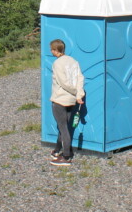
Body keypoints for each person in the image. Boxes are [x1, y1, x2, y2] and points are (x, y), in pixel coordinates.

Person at [49, 39, 85, 167]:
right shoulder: (73, 61)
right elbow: (80, 78)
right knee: (63, 126)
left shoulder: (57, 63)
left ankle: (66, 156)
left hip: (60, 99)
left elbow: (63, 82)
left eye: (52, 50)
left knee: (63, 128)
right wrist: (79, 94)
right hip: (71, 101)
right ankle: (57, 150)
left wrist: (76, 92)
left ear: (55, 50)